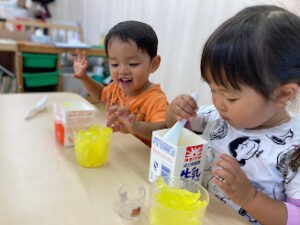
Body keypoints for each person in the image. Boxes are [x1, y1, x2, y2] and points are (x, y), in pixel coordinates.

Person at [166, 5, 300, 225]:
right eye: (213, 89)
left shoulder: (294, 149)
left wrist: (251, 198)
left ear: (282, 94)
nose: (218, 103)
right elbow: (174, 130)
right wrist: (175, 111)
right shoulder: (214, 117)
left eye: (230, 98)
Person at [73, 20, 168, 146]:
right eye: (114, 64)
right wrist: (84, 78)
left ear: (153, 64)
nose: (122, 71)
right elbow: (101, 94)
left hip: (142, 161)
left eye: (133, 64)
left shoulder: (155, 99)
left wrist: (135, 126)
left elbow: (164, 131)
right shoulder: (116, 88)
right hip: (119, 151)